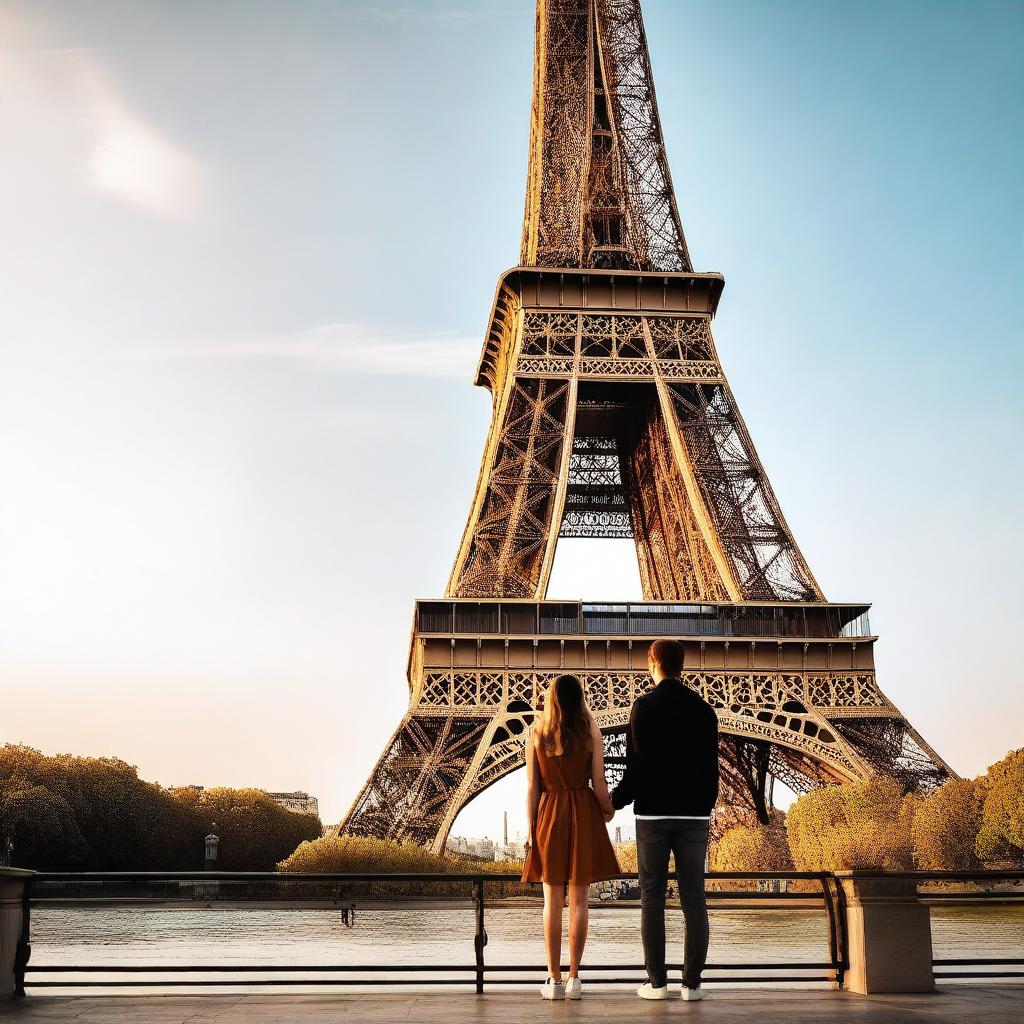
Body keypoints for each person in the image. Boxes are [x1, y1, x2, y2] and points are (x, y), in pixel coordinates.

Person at [612, 638, 719, 1001]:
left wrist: (615, 801)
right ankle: (692, 985)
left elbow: (635, 768)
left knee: (651, 898)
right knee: (694, 898)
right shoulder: (704, 711)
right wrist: (704, 805)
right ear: (682, 665)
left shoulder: (642, 707)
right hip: (693, 816)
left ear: (652, 663)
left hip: (653, 814)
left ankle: (657, 983)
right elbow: (711, 769)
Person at [522, 674, 620, 1000]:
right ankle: (575, 979)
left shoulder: (537, 734)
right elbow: (599, 783)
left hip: (549, 813)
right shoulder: (590, 732)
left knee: (552, 902)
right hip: (581, 811)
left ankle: (553, 980)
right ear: (579, 699)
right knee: (579, 902)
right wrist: (607, 810)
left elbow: (532, 790)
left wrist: (533, 830)